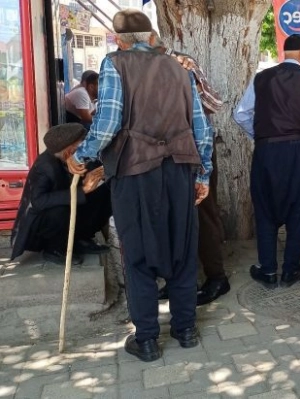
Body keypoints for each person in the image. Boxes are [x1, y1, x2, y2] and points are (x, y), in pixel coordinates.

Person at [67, 9, 213, 362]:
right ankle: (186, 329)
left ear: (120, 40)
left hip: (136, 172)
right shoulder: (180, 67)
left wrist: (83, 156)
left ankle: (147, 339)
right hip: (180, 169)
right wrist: (203, 174)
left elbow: (107, 123)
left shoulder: (114, 63)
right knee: (181, 248)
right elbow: (201, 129)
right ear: (150, 37)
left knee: (138, 254)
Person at [234, 34, 300, 289]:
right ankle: (290, 270)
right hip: (299, 150)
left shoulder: (261, 78)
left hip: (266, 151)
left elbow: (241, 114)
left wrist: (261, 136)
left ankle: (267, 270)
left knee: (264, 208)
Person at [151, 31, 230, 306]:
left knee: (204, 215)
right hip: (170, 154)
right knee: (175, 218)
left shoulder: (183, 66)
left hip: (197, 150)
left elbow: (212, 106)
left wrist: (204, 168)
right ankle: (179, 281)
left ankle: (217, 278)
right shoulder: (152, 70)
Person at [10, 123, 111, 266]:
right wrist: (83, 190)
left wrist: (100, 173)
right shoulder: (45, 166)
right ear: (68, 152)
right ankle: (54, 249)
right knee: (60, 209)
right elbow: (38, 201)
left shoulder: (77, 158)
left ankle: (81, 239)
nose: (84, 148)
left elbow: (95, 171)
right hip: (43, 224)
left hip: (68, 210)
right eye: (80, 146)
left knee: (105, 192)